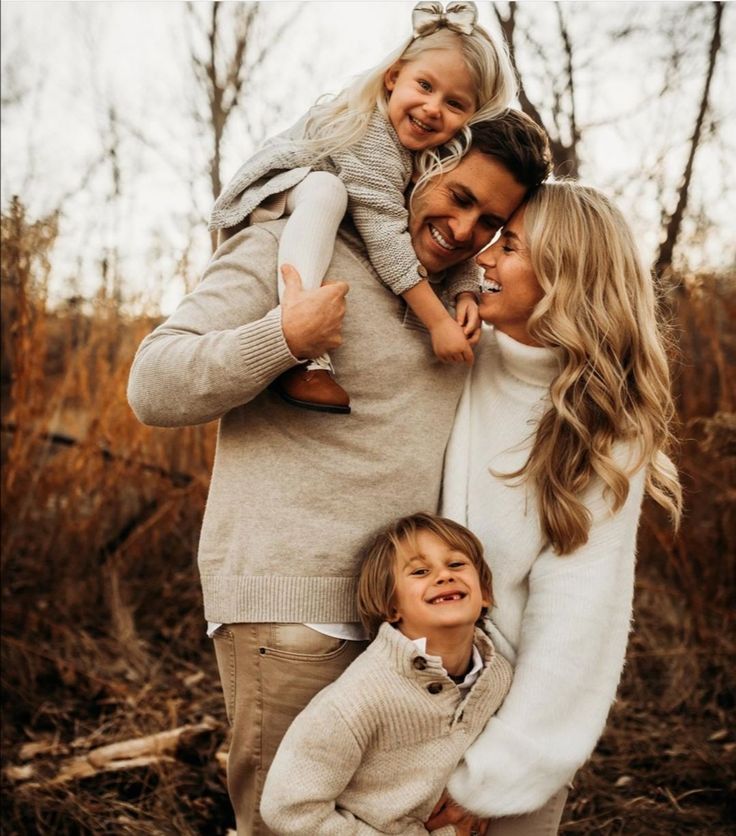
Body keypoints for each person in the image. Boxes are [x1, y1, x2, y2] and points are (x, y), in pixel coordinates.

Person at [127, 110, 551, 836]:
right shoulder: (295, 247)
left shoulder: (454, 298)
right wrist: (283, 338)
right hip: (295, 606)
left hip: (408, 626)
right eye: (459, 195)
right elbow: (152, 384)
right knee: (288, 823)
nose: (464, 228)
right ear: (425, 164)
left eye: (490, 220)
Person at [431, 180, 683, 835]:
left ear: (563, 279)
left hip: (514, 733)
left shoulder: (603, 425)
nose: (484, 256)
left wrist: (489, 781)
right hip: (403, 704)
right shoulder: (456, 353)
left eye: (508, 245)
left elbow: (578, 620)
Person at [209, 0, 516, 413]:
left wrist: (464, 286)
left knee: (330, 192)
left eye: (455, 104)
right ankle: (301, 347)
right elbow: (386, 237)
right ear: (393, 77)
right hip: (268, 197)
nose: (432, 108)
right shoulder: (371, 136)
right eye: (425, 86)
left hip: (310, 208)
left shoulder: (427, 150)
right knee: (327, 190)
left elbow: (440, 217)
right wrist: (438, 323)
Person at [260, 512, 512, 835]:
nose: (443, 576)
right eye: (421, 571)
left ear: (485, 593)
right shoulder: (358, 699)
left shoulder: (497, 678)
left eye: (456, 564)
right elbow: (288, 808)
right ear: (391, 607)